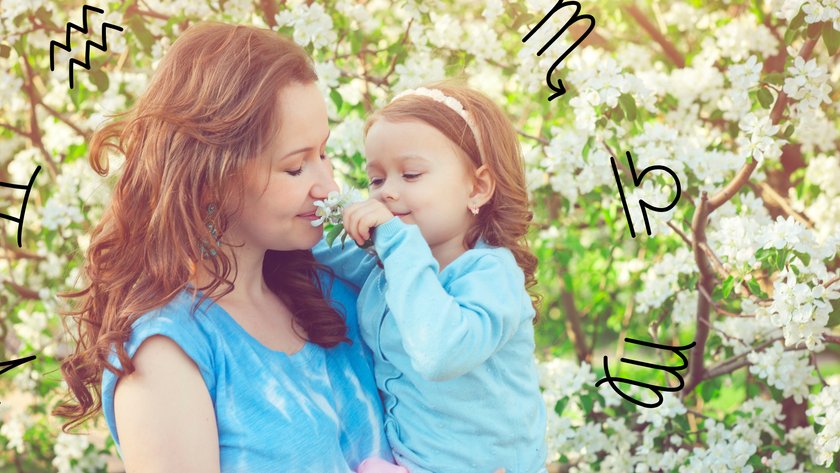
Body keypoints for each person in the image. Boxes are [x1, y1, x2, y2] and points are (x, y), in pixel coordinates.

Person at [54, 23, 393, 472]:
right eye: (295, 167)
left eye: (324, 153)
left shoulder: (339, 290)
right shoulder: (167, 353)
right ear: (211, 177)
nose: (327, 187)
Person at [313, 82, 548, 473]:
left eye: (411, 173)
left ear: (478, 186)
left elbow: (440, 352)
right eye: (376, 180)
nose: (387, 192)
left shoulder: (490, 273)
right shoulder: (385, 265)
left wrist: (395, 241)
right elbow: (312, 246)